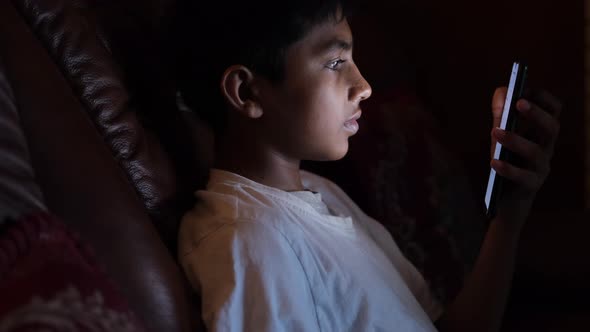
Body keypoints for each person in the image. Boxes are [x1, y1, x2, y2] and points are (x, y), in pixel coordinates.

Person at [174, 1, 562, 331]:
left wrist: (508, 218)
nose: (363, 86)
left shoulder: (320, 193)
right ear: (246, 92)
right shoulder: (249, 243)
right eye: (335, 62)